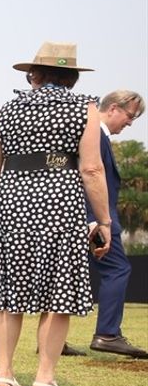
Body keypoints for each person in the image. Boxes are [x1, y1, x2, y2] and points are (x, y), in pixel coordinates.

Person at [0, 42, 112, 386]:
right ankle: (44, 380)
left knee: (9, 294)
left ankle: (4, 377)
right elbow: (92, 168)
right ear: (72, 77)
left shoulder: (6, 110)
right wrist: (104, 220)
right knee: (58, 292)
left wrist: (0, 210)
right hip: (59, 202)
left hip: (11, 203)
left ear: (34, 74)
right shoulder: (85, 108)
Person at [66, 91, 145, 359]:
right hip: (97, 220)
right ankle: (108, 334)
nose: (130, 123)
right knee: (118, 269)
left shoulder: (94, 135)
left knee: (64, 274)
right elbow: (87, 177)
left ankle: (53, 340)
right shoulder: (95, 135)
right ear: (113, 108)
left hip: (82, 218)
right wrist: (96, 221)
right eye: (130, 116)